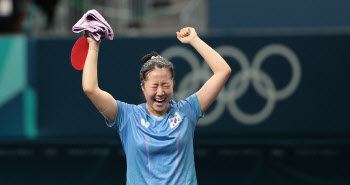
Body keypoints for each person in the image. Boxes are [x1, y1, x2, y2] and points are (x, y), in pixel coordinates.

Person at [82, 27, 231, 185]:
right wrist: (93, 46)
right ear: (143, 87)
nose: (160, 92)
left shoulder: (187, 111)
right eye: (154, 86)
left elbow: (223, 71)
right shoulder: (127, 116)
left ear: (173, 84)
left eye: (166, 85)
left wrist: (194, 40)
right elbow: (90, 89)